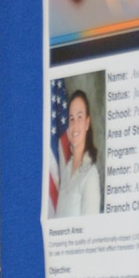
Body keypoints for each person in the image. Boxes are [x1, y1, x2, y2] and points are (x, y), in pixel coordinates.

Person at [56, 87, 102, 216]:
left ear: (87, 123)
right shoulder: (65, 172)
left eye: (79, 117)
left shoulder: (90, 175)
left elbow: (90, 232)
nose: (75, 124)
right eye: (71, 118)